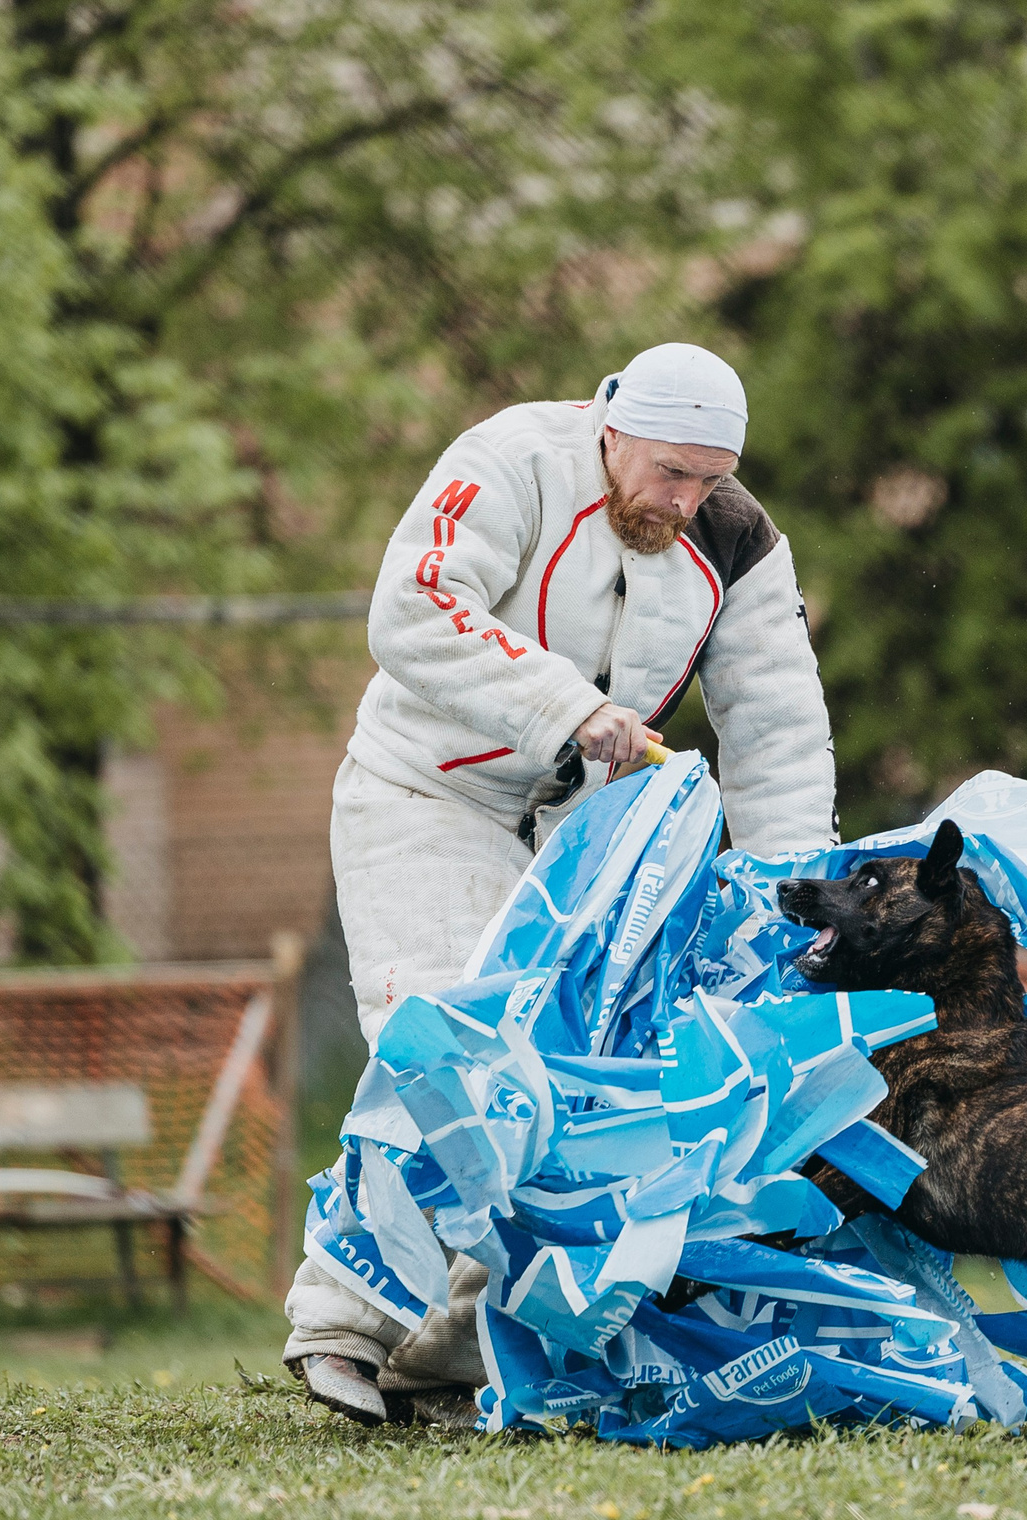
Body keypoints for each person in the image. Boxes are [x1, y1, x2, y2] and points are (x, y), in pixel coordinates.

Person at [284, 342, 838, 1425]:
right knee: (440, 1036)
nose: (682, 501)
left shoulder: (738, 541)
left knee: (577, 1084)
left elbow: (776, 727)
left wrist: (787, 896)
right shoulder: (512, 460)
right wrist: (565, 709)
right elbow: (414, 605)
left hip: (588, 832)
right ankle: (343, 1323)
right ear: (609, 424)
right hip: (427, 792)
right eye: (668, 471)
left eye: (707, 479)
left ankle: (455, 1347)